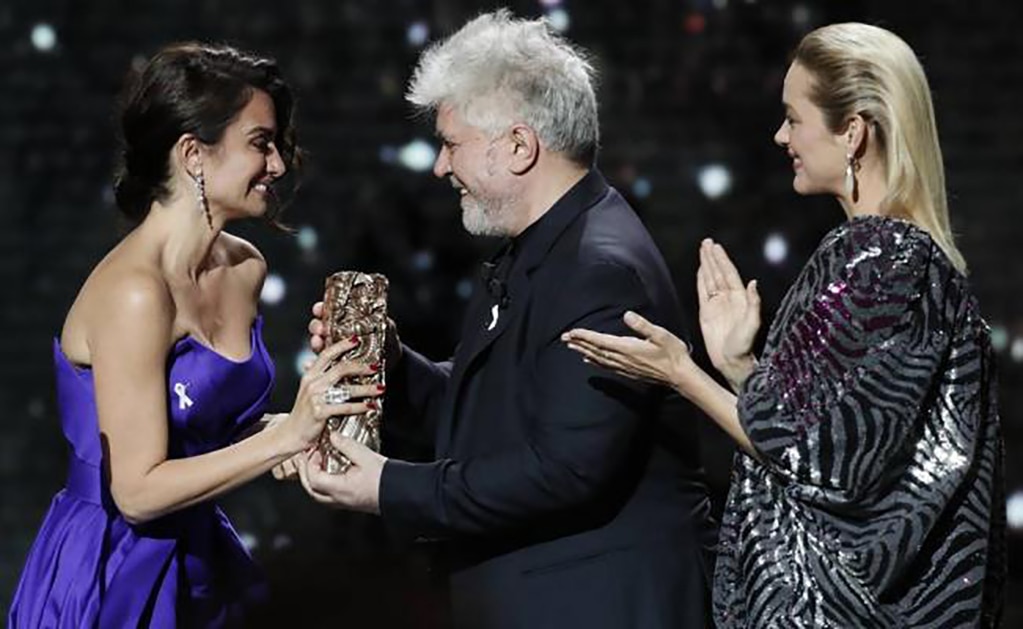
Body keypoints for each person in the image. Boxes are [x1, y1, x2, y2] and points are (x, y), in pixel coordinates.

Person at [563, 22, 1006, 627]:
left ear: (853, 132)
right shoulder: (900, 257)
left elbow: (815, 458)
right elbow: (824, 436)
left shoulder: (881, 257)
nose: (780, 136)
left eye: (794, 118)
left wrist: (680, 373)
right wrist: (739, 367)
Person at [291, 10, 716, 628]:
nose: (440, 167)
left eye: (452, 144)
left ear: (518, 146)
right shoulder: (544, 247)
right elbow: (502, 411)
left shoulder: (598, 269)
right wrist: (391, 367)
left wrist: (388, 487)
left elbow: (564, 468)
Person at [7, 43, 381, 628]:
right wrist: (284, 439)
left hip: (199, 559)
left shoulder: (245, 268)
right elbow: (135, 493)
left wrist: (286, 430)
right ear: (192, 154)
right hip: (111, 573)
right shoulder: (135, 293)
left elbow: (200, 427)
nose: (278, 165)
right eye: (261, 143)